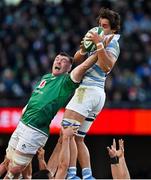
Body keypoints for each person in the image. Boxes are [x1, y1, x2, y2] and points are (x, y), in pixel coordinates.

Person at [4, 52, 99, 179]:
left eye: (63, 61)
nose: (58, 62)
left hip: (35, 129)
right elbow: (35, 98)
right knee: (8, 163)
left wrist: (99, 50)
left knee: (15, 169)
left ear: (69, 67)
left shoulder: (67, 80)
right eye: (57, 59)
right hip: (22, 123)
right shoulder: (46, 77)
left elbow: (84, 66)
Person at [60, 8, 121, 179]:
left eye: (105, 26)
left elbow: (106, 67)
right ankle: (87, 176)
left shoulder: (113, 42)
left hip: (88, 91)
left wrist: (99, 44)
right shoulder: (97, 38)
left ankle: (71, 175)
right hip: (94, 94)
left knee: (67, 131)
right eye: (99, 25)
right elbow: (77, 61)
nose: (101, 29)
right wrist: (85, 48)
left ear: (113, 29)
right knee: (78, 138)